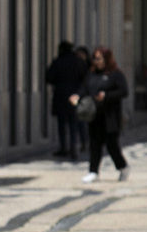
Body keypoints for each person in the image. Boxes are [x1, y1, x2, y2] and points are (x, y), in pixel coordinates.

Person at [72, 47, 129, 183]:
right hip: (95, 115)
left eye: (99, 58)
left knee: (111, 145)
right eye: (94, 58)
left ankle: (123, 167)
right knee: (95, 144)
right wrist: (77, 96)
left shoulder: (115, 74)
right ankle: (93, 171)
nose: (96, 61)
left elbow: (124, 91)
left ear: (106, 59)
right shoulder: (91, 74)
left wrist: (106, 96)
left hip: (110, 116)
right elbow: (84, 88)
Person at [45, 42, 87, 161]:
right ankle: (74, 148)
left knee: (62, 124)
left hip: (61, 96)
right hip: (75, 96)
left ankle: (64, 147)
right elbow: (85, 78)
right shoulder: (78, 62)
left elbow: (49, 77)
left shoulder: (58, 61)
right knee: (74, 123)